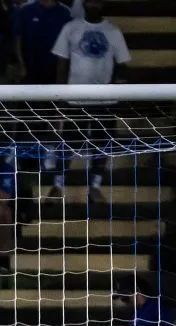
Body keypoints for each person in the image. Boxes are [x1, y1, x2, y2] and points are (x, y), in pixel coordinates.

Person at [48, 0, 130, 203]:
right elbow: (62, 64)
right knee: (68, 144)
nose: (94, 5)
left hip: (105, 101)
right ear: (84, 3)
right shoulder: (71, 28)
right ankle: (57, 187)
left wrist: (118, 92)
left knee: (102, 145)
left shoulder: (114, 31)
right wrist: (60, 97)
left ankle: (95, 187)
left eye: (98, 2)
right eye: (91, 1)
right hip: (75, 100)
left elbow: (122, 65)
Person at [13, 0, 72, 85]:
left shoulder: (66, 12)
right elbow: (17, 41)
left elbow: (68, 46)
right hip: (29, 73)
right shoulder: (24, 10)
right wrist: (21, 65)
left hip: (56, 75)